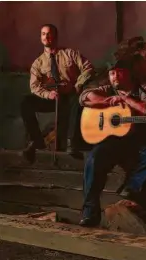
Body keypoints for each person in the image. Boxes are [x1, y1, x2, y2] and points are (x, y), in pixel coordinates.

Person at [78, 59, 146, 227]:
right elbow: (84, 96)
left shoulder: (143, 88)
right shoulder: (108, 89)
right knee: (94, 157)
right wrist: (106, 101)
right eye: (112, 73)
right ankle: (89, 211)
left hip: (140, 141)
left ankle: (131, 187)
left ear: (128, 74)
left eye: (119, 72)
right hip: (116, 140)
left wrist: (126, 99)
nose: (115, 77)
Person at [21, 23, 94, 162]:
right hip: (52, 97)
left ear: (55, 36)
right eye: (43, 34)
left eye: (49, 33)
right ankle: (37, 141)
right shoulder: (38, 63)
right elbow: (34, 86)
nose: (46, 36)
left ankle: (71, 143)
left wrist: (77, 85)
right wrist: (49, 94)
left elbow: (88, 68)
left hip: (70, 94)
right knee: (26, 103)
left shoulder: (70, 54)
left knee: (76, 101)